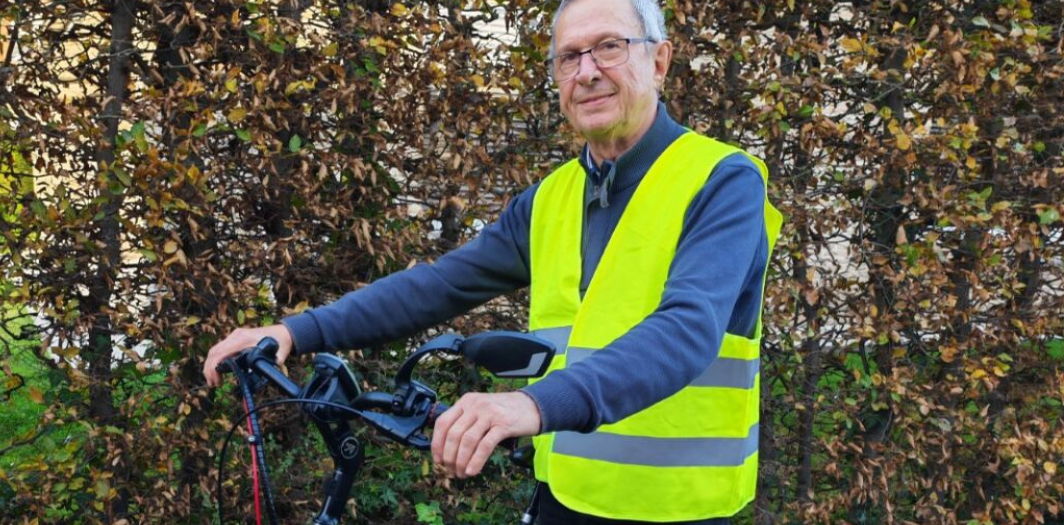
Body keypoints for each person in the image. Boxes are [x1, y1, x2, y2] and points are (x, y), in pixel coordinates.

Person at [205, 0, 782, 522]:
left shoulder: (721, 180)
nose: (587, 72)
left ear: (659, 62)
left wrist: (529, 403)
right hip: (564, 495)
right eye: (568, 57)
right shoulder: (555, 197)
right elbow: (442, 284)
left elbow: (687, 329)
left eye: (609, 47)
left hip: (676, 511)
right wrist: (295, 330)